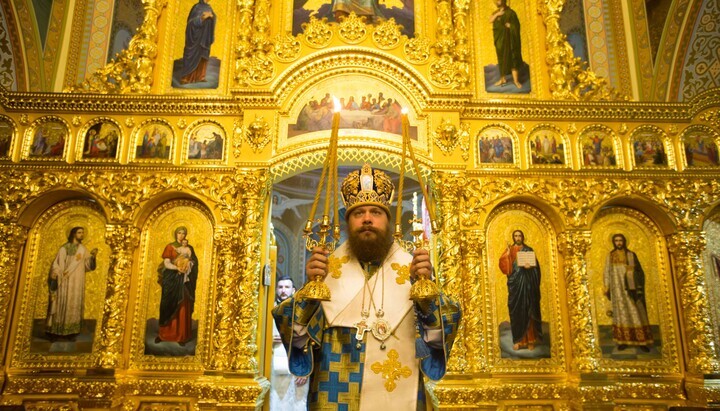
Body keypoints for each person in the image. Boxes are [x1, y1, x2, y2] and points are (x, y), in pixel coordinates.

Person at [273, 164, 461, 410]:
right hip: (335, 393)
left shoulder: (413, 271)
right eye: (358, 213)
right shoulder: (326, 271)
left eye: (375, 212)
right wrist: (309, 291)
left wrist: (425, 293)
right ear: (348, 222)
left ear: (388, 220)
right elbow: (298, 340)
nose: (367, 219)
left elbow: (437, 341)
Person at [46, 227, 98, 340]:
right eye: (79, 233)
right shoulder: (64, 248)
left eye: (83, 233)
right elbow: (57, 264)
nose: (82, 235)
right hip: (64, 280)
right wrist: (56, 273)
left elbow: (88, 266)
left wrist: (93, 257)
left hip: (77, 281)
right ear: (73, 234)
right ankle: (57, 331)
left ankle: (71, 332)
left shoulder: (83, 249)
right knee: (62, 302)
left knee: (73, 302)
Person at [603, 234, 653, 352]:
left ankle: (642, 341)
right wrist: (607, 286)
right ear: (613, 242)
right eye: (616, 241)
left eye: (620, 240)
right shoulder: (610, 256)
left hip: (631, 289)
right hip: (617, 291)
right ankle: (623, 340)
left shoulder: (631, 255)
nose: (618, 243)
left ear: (624, 241)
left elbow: (640, 272)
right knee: (621, 314)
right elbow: (607, 272)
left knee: (636, 311)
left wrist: (633, 274)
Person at [499, 230, 542, 350]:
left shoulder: (529, 250)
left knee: (528, 310)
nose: (518, 238)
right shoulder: (510, 250)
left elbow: (536, 268)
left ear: (523, 237)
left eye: (519, 236)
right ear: (513, 237)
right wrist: (506, 254)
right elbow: (505, 267)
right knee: (517, 311)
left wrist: (530, 267)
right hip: (515, 285)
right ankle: (518, 340)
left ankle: (530, 340)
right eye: (515, 236)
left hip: (527, 285)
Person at [270, 276, 309, 411]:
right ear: (276, 290)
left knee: (296, 403)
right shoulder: (269, 310)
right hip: (272, 367)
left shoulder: (302, 312)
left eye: (287, 287)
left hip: (296, 366)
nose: (283, 290)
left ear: (293, 290)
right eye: (280, 287)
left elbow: (309, 341)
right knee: (275, 403)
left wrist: (306, 371)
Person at [156, 226, 199, 345]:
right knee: (167, 303)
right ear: (175, 234)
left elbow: (194, 262)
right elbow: (166, 263)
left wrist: (189, 265)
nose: (181, 235)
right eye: (179, 233)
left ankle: (181, 336)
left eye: (183, 233)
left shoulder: (189, 248)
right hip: (171, 279)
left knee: (183, 304)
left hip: (184, 279)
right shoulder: (170, 247)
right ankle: (163, 334)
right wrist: (177, 267)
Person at [178, 0, 215, 85]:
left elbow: (212, 21)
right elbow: (190, 23)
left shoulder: (209, 8)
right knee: (191, 54)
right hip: (195, 37)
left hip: (205, 37)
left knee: (203, 54)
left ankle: (200, 76)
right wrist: (202, 18)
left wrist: (211, 18)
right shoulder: (196, 8)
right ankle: (186, 77)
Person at [489, 0, 523, 88]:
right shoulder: (496, 13)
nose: (497, 2)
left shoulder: (511, 13)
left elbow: (517, 26)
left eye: (499, 0)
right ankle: (502, 79)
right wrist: (497, 14)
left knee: (513, 57)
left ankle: (516, 81)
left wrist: (510, 26)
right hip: (500, 40)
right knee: (501, 58)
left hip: (510, 40)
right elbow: (491, 20)